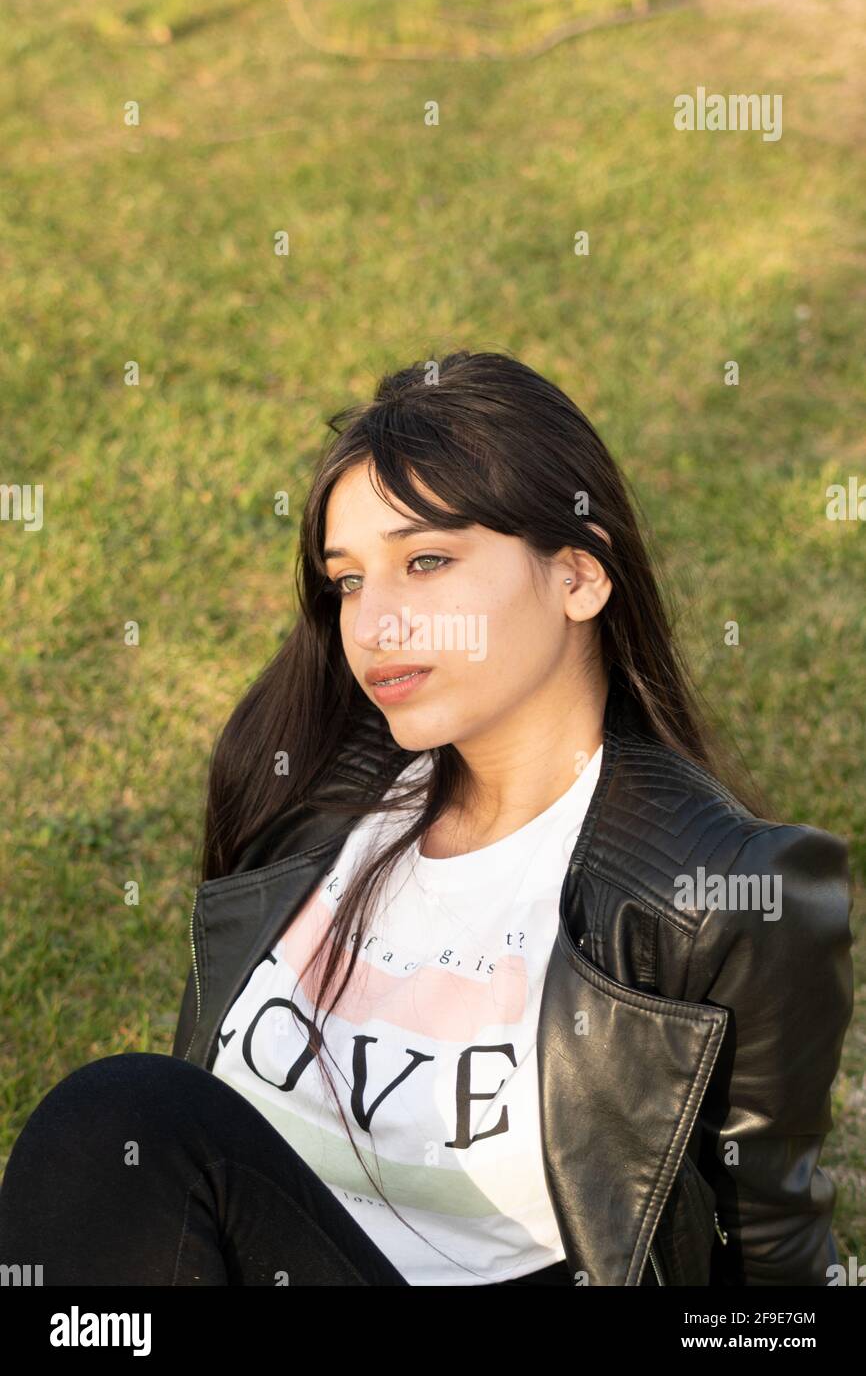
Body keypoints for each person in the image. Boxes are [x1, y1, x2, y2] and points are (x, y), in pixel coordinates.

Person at [0, 350, 854, 1286]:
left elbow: (776, 1277)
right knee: (120, 1133)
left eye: (427, 560)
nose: (372, 625)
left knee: (120, 1115)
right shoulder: (306, 790)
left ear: (579, 576)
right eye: (350, 580)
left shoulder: (717, 890)